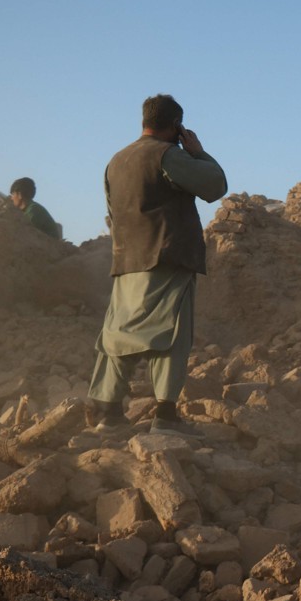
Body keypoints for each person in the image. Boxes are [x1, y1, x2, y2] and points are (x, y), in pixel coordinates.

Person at [88, 94, 227, 437]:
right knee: (171, 333)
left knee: (119, 333)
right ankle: (165, 415)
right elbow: (215, 186)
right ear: (176, 126)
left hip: (126, 260)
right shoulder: (168, 156)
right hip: (166, 257)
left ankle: (108, 412)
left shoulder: (116, 161)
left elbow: (111, 212)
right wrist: (197, 152)